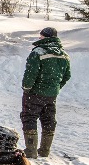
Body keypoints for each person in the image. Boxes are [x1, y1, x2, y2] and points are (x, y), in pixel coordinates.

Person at [20, 26, 71, 158]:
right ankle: (44, 150)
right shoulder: (63, 54)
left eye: (41, 36)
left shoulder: (38, 52)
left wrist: (27, 87)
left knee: (29, 118)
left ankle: (31, 150)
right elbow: (67, 75)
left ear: (45, 37)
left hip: (35, 92)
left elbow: (31, 73)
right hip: (51, 94)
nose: (39, 37)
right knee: (48, 120)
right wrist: (56, 87)